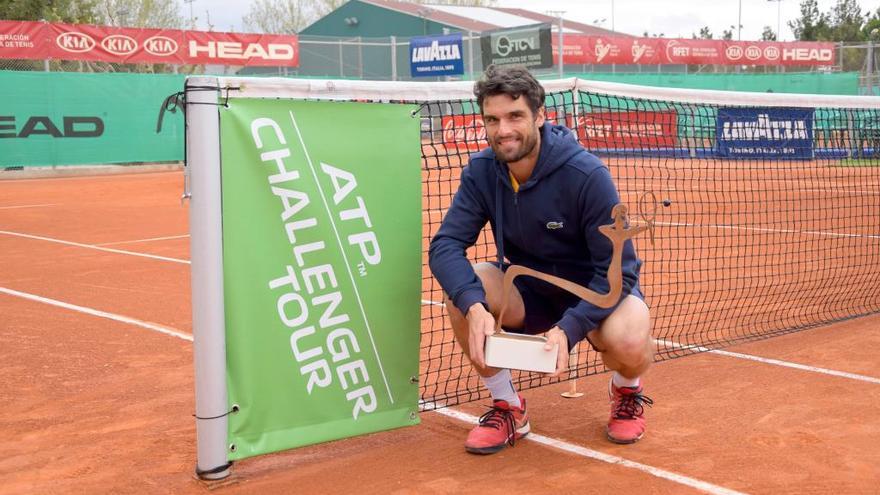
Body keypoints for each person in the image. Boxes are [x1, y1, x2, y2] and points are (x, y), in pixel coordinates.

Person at [428, 65, 654, 455]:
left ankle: (626, 391)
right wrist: (474, 306)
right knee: (466, 291)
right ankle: (509, 406)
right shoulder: (482, 171)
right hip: (528, 291)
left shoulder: (586, 174)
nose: (503, 130)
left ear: (540, 116)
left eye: (515, 116)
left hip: (594, 293)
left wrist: (569, 329)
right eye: (492, 119)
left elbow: (621, 271)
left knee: (629, 340)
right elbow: (445, 245)